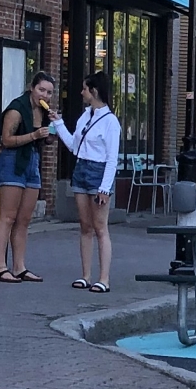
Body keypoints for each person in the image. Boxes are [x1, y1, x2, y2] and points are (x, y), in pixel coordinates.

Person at [53, 74, 122, 293]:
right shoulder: (85, 117)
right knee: (85, 225)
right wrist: (58, 122)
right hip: (81, 168)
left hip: (98, 170)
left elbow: (112, 158)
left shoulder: (111, 122)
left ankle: (104, 278)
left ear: (94, 91)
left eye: (85, 89)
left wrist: (104, 187)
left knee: (100, 227)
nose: (81, 93)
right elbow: (74, 145)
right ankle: (85, 275)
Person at [0, 73, 55, 282]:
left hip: (32, 162)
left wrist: (52, 132)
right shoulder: (17, 109)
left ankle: (19, 266)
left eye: (49, 92)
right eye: (41, 90)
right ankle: (0, 267)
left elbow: (46, 141)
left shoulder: (44, 113)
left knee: (24, 219)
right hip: (13, 161)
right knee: (8, 216)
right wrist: (34, 136)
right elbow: (6, 140)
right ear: (32, 88)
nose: (44, 95)